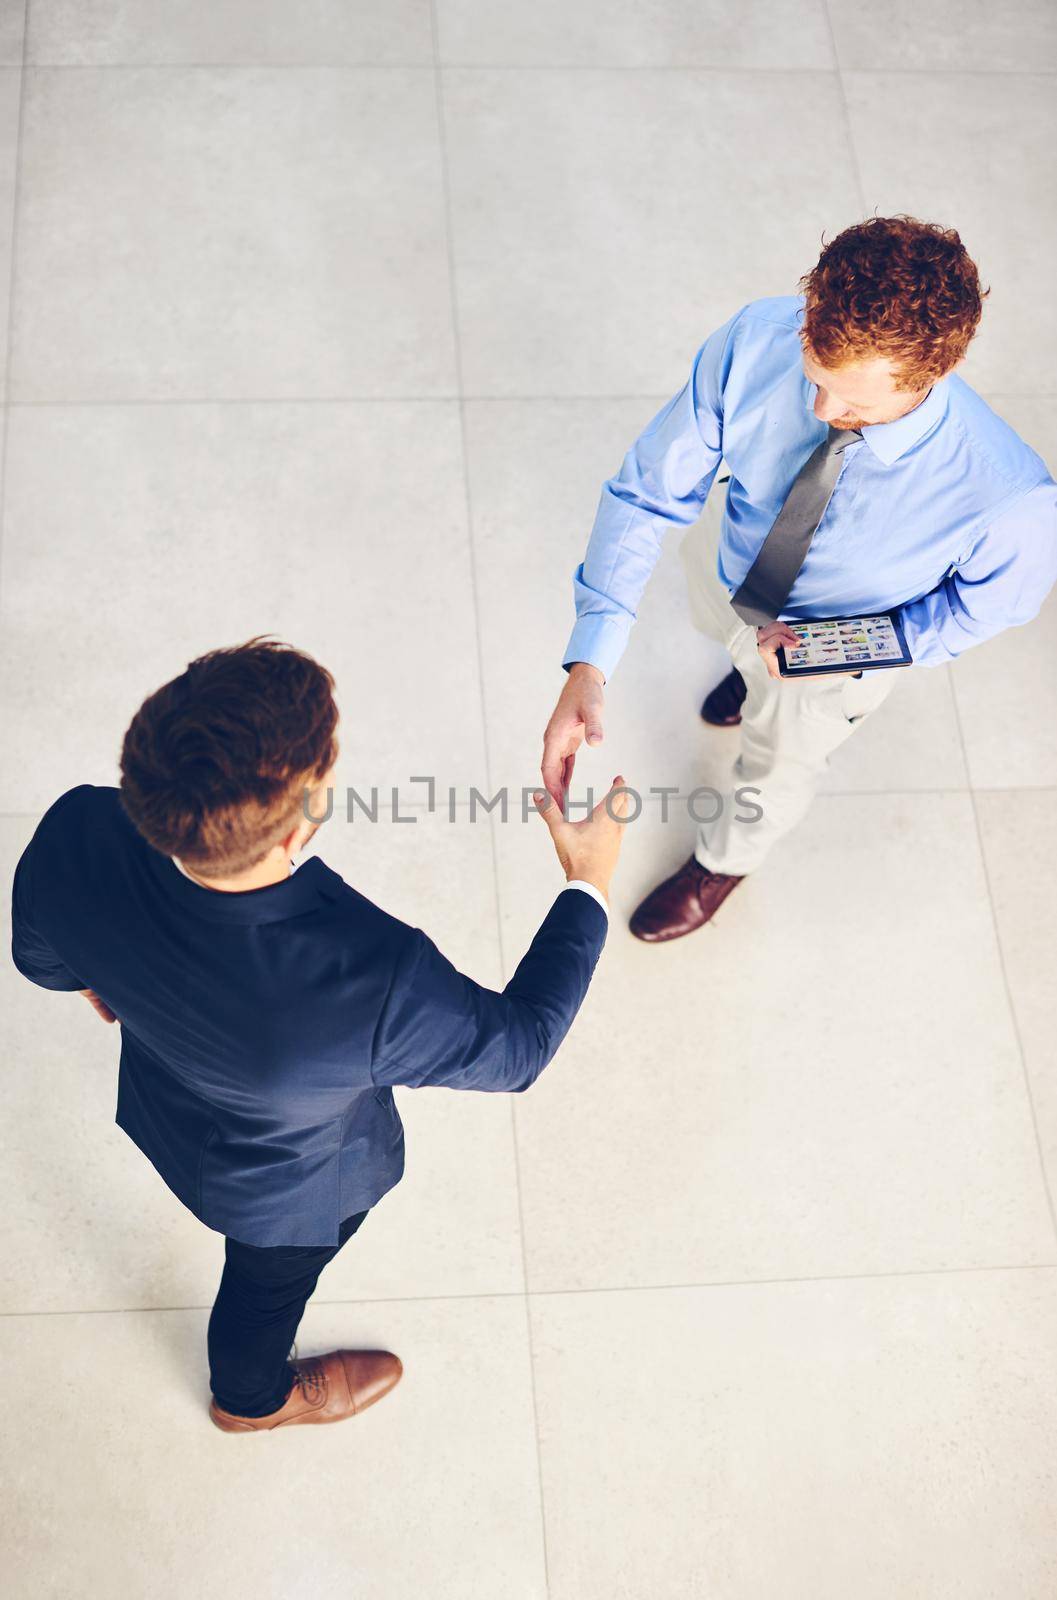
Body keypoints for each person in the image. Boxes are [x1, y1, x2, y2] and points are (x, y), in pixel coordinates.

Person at [11, 638, 628, 1431]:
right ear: (300, 821)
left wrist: (106, 984)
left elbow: (39, 959)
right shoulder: (373, 979)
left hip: (166, 1109)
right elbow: (519, 1050)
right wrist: (588, 882)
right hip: (283, 1195)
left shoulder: (77, 827)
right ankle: (249, 1401)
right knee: (264, 1293)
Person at [541, 215, 1057, 943]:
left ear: (932, 373)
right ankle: (742, 671)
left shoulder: (1011, 498)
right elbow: (646, 494)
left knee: (773, 767)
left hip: (833, 658)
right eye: (813, 378)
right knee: (721, 633)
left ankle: (722, 862)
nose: (819, 410)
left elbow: (978, 611)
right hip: (728, 568)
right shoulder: (759, 337)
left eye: (851, 404)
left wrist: (832, 650)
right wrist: (588, 661)